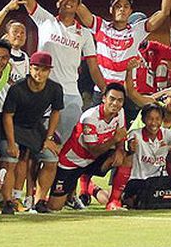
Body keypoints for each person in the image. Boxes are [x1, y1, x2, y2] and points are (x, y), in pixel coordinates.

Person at [18, 0, 106, 143]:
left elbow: (93, 68)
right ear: (57, 3)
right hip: (41, 90)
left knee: (61, 146)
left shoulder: (84, 34)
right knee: (35, 143)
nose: (69, 0)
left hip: (70, 95)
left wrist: (108, 92)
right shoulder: (46, 20)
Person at [72, 0, 171, 91]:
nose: (122, 10)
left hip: (127, 90)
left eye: (126, 7)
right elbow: (77, 6)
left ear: (130, 11)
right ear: (111, 10)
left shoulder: (136, 30)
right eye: (118, 6)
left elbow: (164, 13)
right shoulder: (101, 26)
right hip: (102, 89)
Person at [0, 51, 64, 214]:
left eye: (44, 70)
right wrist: (12, 141)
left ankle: (40, 200)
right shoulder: (17, 89)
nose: (39, 73)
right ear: (30, 68)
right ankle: (8, 202)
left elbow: (56, 112)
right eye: (36, 68)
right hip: (13, 127)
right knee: (10, 160)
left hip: (35, 128)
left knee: (51, 159)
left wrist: (49, 137)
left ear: (49, 71)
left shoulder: (55, 89)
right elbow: (7, 116)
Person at [47, 83, 127, 212]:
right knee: (54, 207)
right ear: (103, 98)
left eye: (120, 100)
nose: (115, 103)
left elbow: (121, 133)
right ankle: (74, 194)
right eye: (112, 99)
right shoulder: (90, 118)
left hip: (93, 160)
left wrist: (119, 149)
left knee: (127, 156)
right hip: (72, 161)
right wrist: (115, 139)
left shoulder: (120, 112)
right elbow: (93, 150)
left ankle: (113, 201)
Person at [0, 0, 31, 210]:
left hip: (16, 115)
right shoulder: (0, 53)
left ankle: (14, 197)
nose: (19, 35)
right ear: (7, 34)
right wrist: (7, 9)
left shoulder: (27, 59)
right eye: (15, 31)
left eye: (23, 32)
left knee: (16, 156)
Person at [122, 104, 171, 207]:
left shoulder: (166, 134)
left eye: (157, 119)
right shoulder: (135, 134)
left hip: (160, 181)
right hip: (138, 180)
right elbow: (129, 147)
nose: (154, 123)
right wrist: (131, 147)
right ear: (143, 120)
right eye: (150, 119)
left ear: (162, 120)